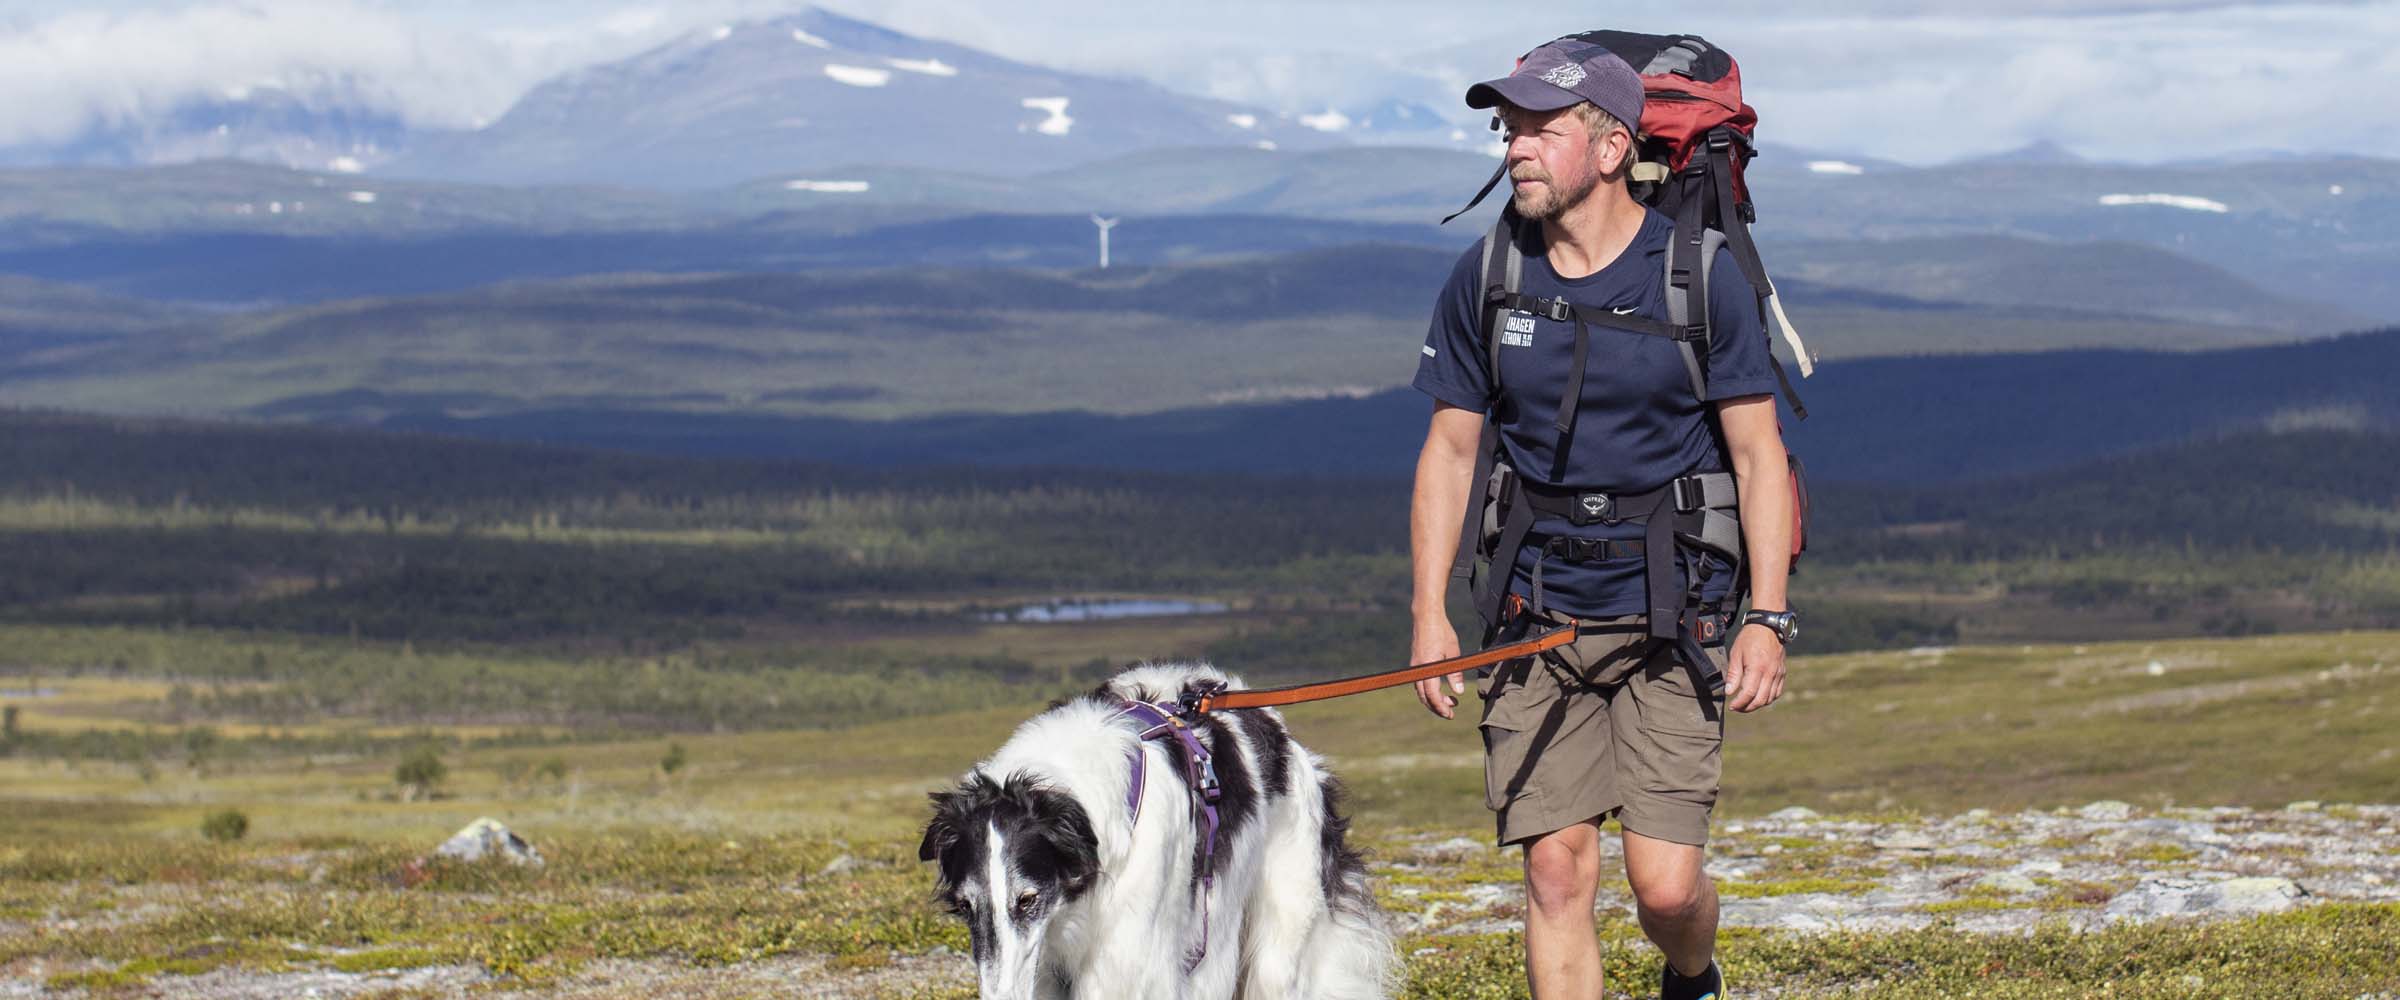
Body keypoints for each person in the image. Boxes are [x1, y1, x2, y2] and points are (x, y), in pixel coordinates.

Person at [1406, 40, 1797, 1000]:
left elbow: (1758, 455)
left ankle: (1692, 974)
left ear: (1614, 145)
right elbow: (1451, 451)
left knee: (1663, 889)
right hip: (1533, 612)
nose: (1516, 149)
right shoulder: (1488, 273)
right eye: (1511, 129)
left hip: (1678, 613)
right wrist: (1428, 613)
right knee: (1555, 869)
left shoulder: (1700, 278)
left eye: (1543, 128)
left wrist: (1768, 616)